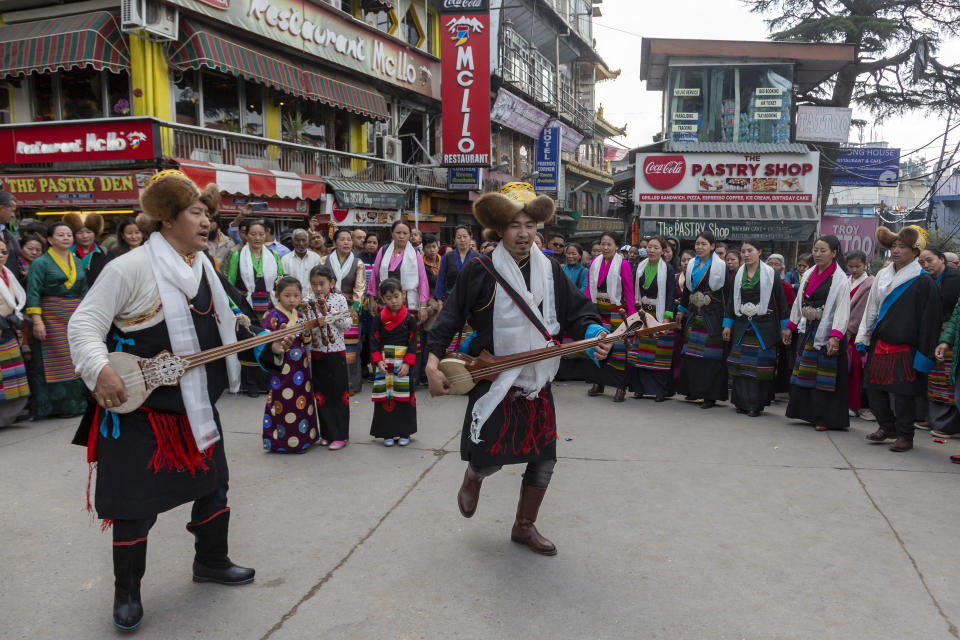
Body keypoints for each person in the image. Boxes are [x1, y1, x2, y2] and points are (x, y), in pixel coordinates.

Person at [67, 171, 291, 631]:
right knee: (134, 507)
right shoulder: (128, 268)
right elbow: (82, 325)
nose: (207, 222)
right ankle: (126, 593)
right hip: (142, 412)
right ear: (168, 219)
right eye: (196, 213)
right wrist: (101, 369)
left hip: (197, 408)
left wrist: (270, 345)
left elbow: (239, 323)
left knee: (214, 486)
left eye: (209, 214)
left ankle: (211, 560)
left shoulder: (206, 268)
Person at [425, 182, 609, 556]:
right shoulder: (480, 269)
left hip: (537, 377)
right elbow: (450, 316)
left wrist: (595, 332)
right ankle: (475, 476)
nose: (524, 233)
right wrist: (431, 359)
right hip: (495, 376)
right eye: (514, 225)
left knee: (544, 458)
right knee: (490, 458)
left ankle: (524, 527)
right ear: (499, 229)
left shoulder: (551, 269)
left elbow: (577, 311)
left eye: (530, 224)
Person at [858, 226, 941, 452]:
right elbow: (872, 307)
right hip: (880, 341)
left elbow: (930, 321)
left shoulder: (923, 281)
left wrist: (926, 353)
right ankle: (887, 426)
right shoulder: (883, 276)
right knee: (873, 389)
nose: (896, 251)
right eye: (893, 246)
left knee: (904, 394)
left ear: (915, 252)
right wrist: (863, 335)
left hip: (907, 346)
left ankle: (906, 434)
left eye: (902, 247)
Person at [784, 236, 851, 431]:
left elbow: (842, 309)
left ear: (834, 252)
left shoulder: (840, 279)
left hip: (827, 331)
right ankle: (808, 414)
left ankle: (825, 418)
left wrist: (835, 336)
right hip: (809, 329)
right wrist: (791, 325)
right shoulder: (809, 273)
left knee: (824, 378)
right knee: (806, 373)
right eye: (815, 250)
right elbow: (799, 302)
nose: (818, 254)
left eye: (823, 250)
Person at [25, 222, 88, 419]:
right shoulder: (40, 263)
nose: (66, 238)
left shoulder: (77, 261)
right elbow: (33, 292)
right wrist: (37, 321)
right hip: (51, 316)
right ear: (50, 239)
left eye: (69, 234)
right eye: (60, 235)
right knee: (53, 360)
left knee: (75, 358)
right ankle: (51, 407)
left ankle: (78, 404)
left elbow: (84, 289)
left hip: (75, 314)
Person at [722, 239, 789, 417]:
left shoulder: (770, 274)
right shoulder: (737, 273)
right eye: (743, 251)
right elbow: (731, 301)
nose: (746, 254)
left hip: (764, 326)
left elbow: (781, 300)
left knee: (759, 367)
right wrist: (727, 324)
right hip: (742, 324)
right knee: (740, 365)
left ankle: (755, 404)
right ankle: (741, 402)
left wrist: (785, 327)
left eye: (750, 250)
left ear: (759, 252)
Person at [366, 221, 430, 385]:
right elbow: (374, 276)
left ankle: (411, 379)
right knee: (385, 337)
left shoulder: (415, 253)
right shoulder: (384, 250)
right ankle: (386, 375)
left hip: (409, 301)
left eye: (405, 233)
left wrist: (423, 305)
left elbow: (423, 280)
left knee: (410, 339)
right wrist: (372, 297)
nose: (401, 236)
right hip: (386, 301)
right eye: (398, 233)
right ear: (392, 234)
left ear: (410, 235)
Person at [227, 219, 284, 397]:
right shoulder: (237, 256)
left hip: (268, 304)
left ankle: (267, 382)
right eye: (253, 234)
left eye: (261, 234)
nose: (258, 238)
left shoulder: (273, 256)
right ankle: (250, 383)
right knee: (248, 342)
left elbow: (280, 279)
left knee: (268, 340)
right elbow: (230, 284)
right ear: (246, 236)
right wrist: (235, 307)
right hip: (246, 306)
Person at [261, 276, 317, 452]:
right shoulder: (272, 316)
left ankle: (304, 438)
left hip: (300, 361)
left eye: (296, 295)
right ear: (277, 295)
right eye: (287, 295)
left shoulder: (300, 314)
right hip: (282, 363)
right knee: (283, 399)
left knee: (302, 399)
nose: (292, 300)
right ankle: (282, 441)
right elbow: (265, 342)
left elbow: (305, 338)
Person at [677, 232, 731, 409]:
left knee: (710, 357)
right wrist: (681, 310)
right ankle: (694, 390)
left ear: (713, 246)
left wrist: (727, 322)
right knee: (692, 354)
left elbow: (727, 296)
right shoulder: (692, 264)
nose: (699, 247)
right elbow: (687, 290)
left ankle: (710, 396)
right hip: (694, 314)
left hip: (713, 316)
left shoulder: (721, 266)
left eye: (704, 244)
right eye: (697, 244)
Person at [585, 232, 637, 402]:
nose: (605, 248)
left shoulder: (623, 264)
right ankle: (598, 382)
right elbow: (589, 289)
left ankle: (620, 387)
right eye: (603, 244)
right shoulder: (594, 262)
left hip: (617, 311)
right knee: (597, 344)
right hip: (599, 309)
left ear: (616, 246)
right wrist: (586, 309)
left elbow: (629, 292)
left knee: (619, 350)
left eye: (609, 244)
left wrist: (631, 319)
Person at [308, 264, 353, 450]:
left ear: (331, 283)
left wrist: (332, 315)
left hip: (336, 353)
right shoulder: (308, 300)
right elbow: (305, 325)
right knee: (321, 395)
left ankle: (341, 435)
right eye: (314, 284)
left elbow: (347, 324)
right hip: (317, 353)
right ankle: (326, 433)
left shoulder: (339, 300)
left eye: (322, 283)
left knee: (338, 394)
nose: (318, 288)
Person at [369, 277, 419, 446]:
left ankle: (405, 433)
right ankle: (387, 433)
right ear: (382, 299)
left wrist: (407, 363)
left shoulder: (410, 319)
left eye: (396, 296)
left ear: (403, 294)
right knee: (385, 398)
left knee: (404, 398)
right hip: (385, 362)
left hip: (403, 363)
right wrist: (377, 361)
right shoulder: (378, 319)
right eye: (388, 298)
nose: (394, 301)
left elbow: (413, 342)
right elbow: (374, 341)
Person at [629, 236, 676, 402]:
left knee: (658, 354)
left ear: (663, 251)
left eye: (656, 248)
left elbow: (671, 293)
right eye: (649, 247)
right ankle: (640, 388)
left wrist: (667, 317)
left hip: (659, 313)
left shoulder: (668, 269)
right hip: (642, 313)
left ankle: (659, 390)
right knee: (640, 352)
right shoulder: (640, 266)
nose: (652, 250)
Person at [919, 246, 960, 437]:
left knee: (947, 380)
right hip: (935, 334)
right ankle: (934, 419)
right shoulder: (926, 280)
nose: (926, 265)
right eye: (922, 262)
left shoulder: (954, 279)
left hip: (949, 335)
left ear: (942, 259)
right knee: (934, 378)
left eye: (930, 260)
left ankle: (948, 425)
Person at [319, 229, 366, 393]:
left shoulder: (357, 263)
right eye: (342, 239)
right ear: (335, 242)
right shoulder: (324, 260)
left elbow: (359, 288)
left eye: (349, 240)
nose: (346, 242)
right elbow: (318, 283)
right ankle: (330, 382)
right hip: (328, 306)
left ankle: (350, 384)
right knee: (330, 343)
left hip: (349, 308)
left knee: (350, 348)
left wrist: (355, 308)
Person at [0, 239, 29, 425]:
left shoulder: (7, 272)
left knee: (12, 374)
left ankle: (9, 416)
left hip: (8, 326)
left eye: (3, 251)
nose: (1, 254)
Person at [844, 250, 874, 419]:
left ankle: (853, 405)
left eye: (858, 266)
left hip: (856, 334)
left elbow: (862, 311)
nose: (854, 269)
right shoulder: (846, 281)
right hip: (842, 330)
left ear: (865, 264)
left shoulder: (869, 284)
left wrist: (850, 330)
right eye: (851, 266)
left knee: (855, 371)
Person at [64, 212, 109, 286]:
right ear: (74, 235)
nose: (85, 236)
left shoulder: (105, 253)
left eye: (89, 232)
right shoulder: (66, 253)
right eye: (80, 233)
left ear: (95, 233)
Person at [435, 225, 477, 302]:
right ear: (454, 239)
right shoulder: (447, 257)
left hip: (473, 300)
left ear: (470, 237)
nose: (462, 240)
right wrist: (439, 300)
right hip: (451, 299)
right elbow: (441, 280)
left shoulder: (478, 258)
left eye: (465, 236)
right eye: (459, 237)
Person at [358, 233, 380, 381]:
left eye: (374, 242)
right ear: (364, 244)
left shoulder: (381, 258)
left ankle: (375, 368)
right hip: (360, 302)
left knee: (375, 335)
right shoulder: (358, 259)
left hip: (376, 302)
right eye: (369, 242)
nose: (371, 245)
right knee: (361, 337)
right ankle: (362, 367)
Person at [281, 228, 321, 293]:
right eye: (297, 240)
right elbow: (284, 281)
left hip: (312, 298)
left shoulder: (316, 258)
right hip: (292, 298)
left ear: (308, 241)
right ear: (293, 242)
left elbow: (318, 279)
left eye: (304, 240)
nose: (301, 243)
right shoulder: (285, 259)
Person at [0, 191, 22, 276]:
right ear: (1, 208)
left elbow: (18, 258)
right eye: (12, 211)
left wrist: (22, 269)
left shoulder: (9, 236)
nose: (13, 215)